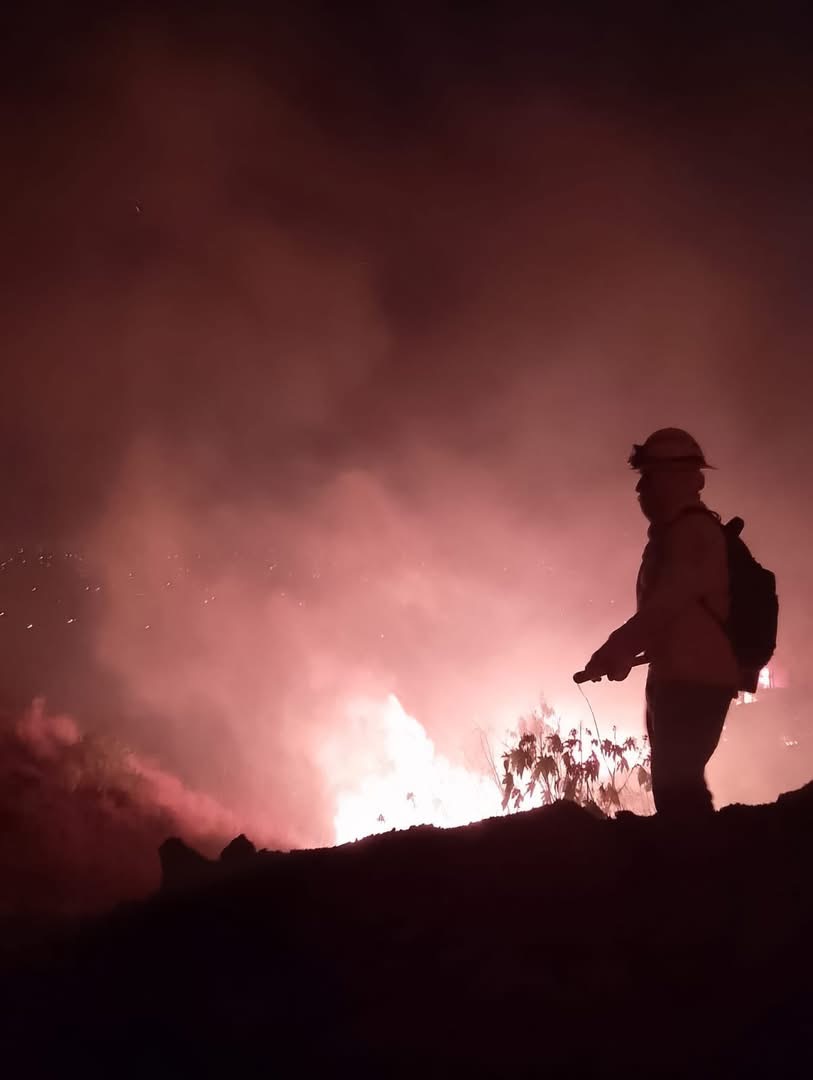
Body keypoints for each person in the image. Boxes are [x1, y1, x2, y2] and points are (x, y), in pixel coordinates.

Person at [581, 429, 738, 820]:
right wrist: (625, 656)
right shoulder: (675, 536)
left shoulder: (692, 535)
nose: (641, 489)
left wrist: (614, 650)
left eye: (648, 477)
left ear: (675, 478)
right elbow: (676, 621)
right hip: (680, 677)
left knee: (679, 788)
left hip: (694, 683)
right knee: (675, 786)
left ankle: (696, 868)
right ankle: (693, 864)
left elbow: (664, 608)